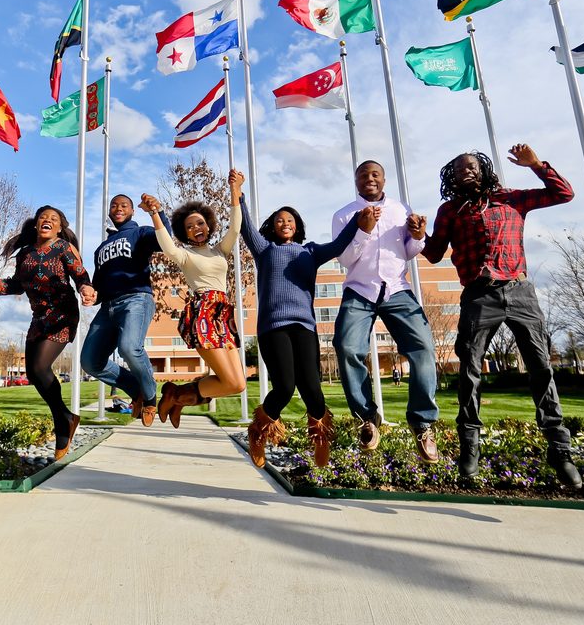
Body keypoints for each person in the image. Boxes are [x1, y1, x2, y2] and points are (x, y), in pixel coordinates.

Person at [422, 144, 582, 489]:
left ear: (484, 170)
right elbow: (434, 254)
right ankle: (470, 446)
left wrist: (537, 164)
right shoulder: (450, 210)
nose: (467, 171)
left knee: (541, 368)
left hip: (520, 291)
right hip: (480, 295)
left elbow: (563, 193)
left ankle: (559, 449)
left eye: (472, 166)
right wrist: (419, 234)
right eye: (460, 168)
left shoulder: (512, 199)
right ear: (452, 176)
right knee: (469, 370)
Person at [331, 160, 441, 463]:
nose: (370, 178)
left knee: (423, 347)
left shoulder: (400, 209)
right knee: (346, 347)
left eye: (375, 174)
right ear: (356, 181)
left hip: (396, 288)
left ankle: (422, 423)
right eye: (363, 175)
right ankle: (366, 418)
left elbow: (408, 251)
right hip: (360, 289)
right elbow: (345, 259)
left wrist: (418, 236)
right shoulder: (343, 215)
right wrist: (362, 230)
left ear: (384, 180)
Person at [238, 199, 360, 468]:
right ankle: (257, 431)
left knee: (313, 391)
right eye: (280, 220)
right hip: (273, 327)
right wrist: (239, 196)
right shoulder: (265, 250)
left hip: (305, 326)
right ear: (273, 226)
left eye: (290, 220)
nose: (285, 223)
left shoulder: (311, 252)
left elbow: (339, 245)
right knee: (284, 387)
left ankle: (321, 439)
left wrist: (358, 221)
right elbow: (246, 228)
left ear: (297, 226)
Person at [0, 206, 96, 460]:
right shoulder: (26, 254)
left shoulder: (63, 248)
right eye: (43, 217)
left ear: (59, 228)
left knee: (41, 367)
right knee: (33, 372)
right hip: (39, 317)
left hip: (62, 314)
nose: (47, 221)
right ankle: (66, 417)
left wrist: (86, 289)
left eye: (53, 219)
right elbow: (17, 284)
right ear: (35, 224)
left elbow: (81, 276)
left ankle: (63, 422)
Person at [141, 170, 247, 428]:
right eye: (189, 227)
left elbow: (236, 227)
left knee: (239, 384)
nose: (196, 228)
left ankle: (177, 397)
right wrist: (154, 213)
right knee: (229, 380)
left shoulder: (220, 251)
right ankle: (176, 397)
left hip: (223, 315)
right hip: (204, 314)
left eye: (199, 223)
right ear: (185, 234)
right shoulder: (186, 255)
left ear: (208, 225)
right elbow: (167, 246)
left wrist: (235, 191)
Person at [80, 194, 172, 427]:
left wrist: (156, 212)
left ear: (131, 211)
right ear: (109, 212)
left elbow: (165, 239)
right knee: (90, 362)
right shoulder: (100, 248)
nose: (118, 208)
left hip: (136, 298)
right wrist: (92, 293)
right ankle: (136, 390)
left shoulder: (139, 233)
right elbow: (99, 283)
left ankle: (151, 397)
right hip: (108, 307)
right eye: (114, 205)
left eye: (124, 205)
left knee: (129, 348)